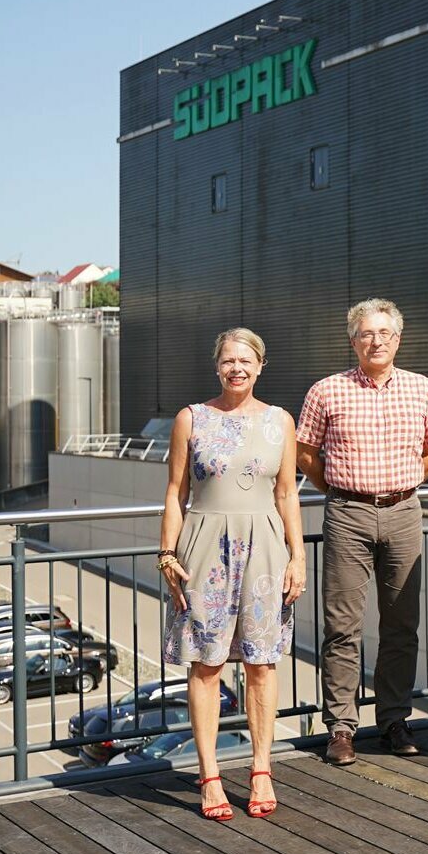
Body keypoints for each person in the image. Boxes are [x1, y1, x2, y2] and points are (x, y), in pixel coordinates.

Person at [296, 298, 428, 767]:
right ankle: (341, 727)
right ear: (353, 340)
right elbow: (306, 453)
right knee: (342, 626)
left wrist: (399, 485)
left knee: (402, 623)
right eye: (366, 333)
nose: (376, 340)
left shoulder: (422, 388)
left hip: (404, 511)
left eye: (385, 333)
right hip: (347, 513)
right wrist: (346, 490)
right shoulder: (327, 390)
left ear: (398, 339)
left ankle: (393, 720)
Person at [160, 328, 305, 821]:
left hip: (265, 547)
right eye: (228, 361)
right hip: (203, 548)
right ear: (216, 366)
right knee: (207, 663)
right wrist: (166, 554)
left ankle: (261, 768)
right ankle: (209, 776)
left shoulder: (279, 421)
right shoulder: (191, 418)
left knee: (263, 663)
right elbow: (176, 492)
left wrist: (298, 556)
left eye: (245, 360)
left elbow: (287, 494)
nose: (236, 368)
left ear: (261, 366)